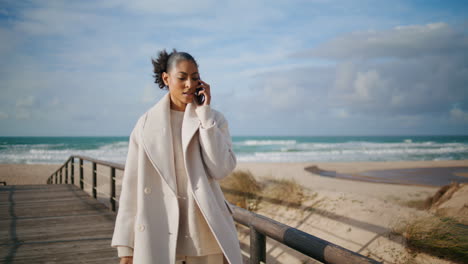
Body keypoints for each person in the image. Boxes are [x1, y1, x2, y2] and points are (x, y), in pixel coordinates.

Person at [111, 49, 242, 264]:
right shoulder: (144, 125)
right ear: (166, 78)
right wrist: (126, 247)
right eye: (182, 78)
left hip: (206, 236)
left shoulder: (213, 119)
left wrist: (205, 116)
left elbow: (222, 169)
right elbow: (131, 186)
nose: (189, 84)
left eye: (195, 78)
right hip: (160, 233)